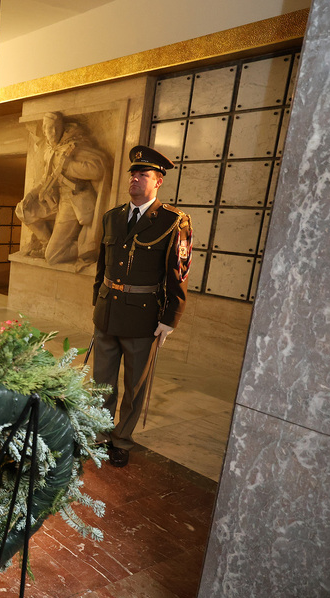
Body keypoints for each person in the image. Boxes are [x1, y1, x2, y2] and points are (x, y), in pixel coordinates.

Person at [91, 145, 193, 467]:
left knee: (134, 388)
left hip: (143, 317)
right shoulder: (112, 217)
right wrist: (97, 302)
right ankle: (99, 435)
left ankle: (121, 439)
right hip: (107, 314)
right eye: (133, 173)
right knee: (101, 384)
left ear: (158, 181)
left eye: (143, 174)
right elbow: (102, 267)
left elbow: (179, 273)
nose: (135, 179)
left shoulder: (173, 221)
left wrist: (170, 318)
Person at [17, 113, 110, 271]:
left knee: (53, 257)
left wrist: (69, 166)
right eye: (48, 129)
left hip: (72, 200)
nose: (52, 132)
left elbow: (97, 170)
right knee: (23, 210)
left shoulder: (75, 146)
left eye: (56, 128)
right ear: (44, 131)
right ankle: (47, 244)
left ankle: (86, 247)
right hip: (53, 198)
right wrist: (31, 195)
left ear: (63, 128)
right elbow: (46, 179)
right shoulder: (50, 150)